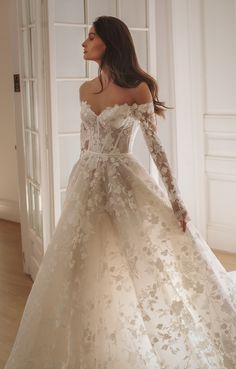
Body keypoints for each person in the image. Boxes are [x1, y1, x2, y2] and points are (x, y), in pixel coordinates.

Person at [4, 15, 236, 369]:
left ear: (109, 43)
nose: (84, 43)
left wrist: (176, 200)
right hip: (87, 181)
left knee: (137, 259)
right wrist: (75, 187)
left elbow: (156, 149)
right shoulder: (84, 89)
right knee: (82, 262)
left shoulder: (137, 88)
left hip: (124, 180)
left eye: (91, 36)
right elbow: (85, 146)